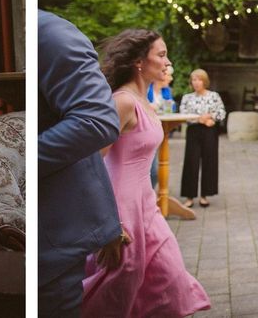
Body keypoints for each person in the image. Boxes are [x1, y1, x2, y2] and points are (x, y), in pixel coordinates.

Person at [81, 29, 210, 317]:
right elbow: (92, 163)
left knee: (169, 276)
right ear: (140, 61)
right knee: (119, 283)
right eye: (161, 55)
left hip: (147, 206)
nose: (167, 62)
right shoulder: (122, 102)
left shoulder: (146, 102)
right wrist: (107, 223)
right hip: (120, 206)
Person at [37, 11, 124, 316]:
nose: (167, 64)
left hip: (55, 236)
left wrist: (19, 166)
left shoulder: (49, 33)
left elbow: (95, 122)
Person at [179, 68, 225, 209]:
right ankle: (189, 196)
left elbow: (221, 112)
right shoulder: (187, 98)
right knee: (191, 162)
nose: (196, 83)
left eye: (199, 79)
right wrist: (200, 119)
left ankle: (205, 195)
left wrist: (210, 117)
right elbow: (183, 114)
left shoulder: (214, 96)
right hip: (193, 131)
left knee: (209, 161)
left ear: (204, 81)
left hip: (210, 131)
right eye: (194, 80)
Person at [148, 65, 175, 188]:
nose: (171, 78)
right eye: (169, 75)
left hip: (161, 129)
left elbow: (172, 108)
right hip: (147, 130)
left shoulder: (166, 91)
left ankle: (151, 193)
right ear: (161, 76)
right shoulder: (147, 89)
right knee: (152, 170)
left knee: (154, 170)